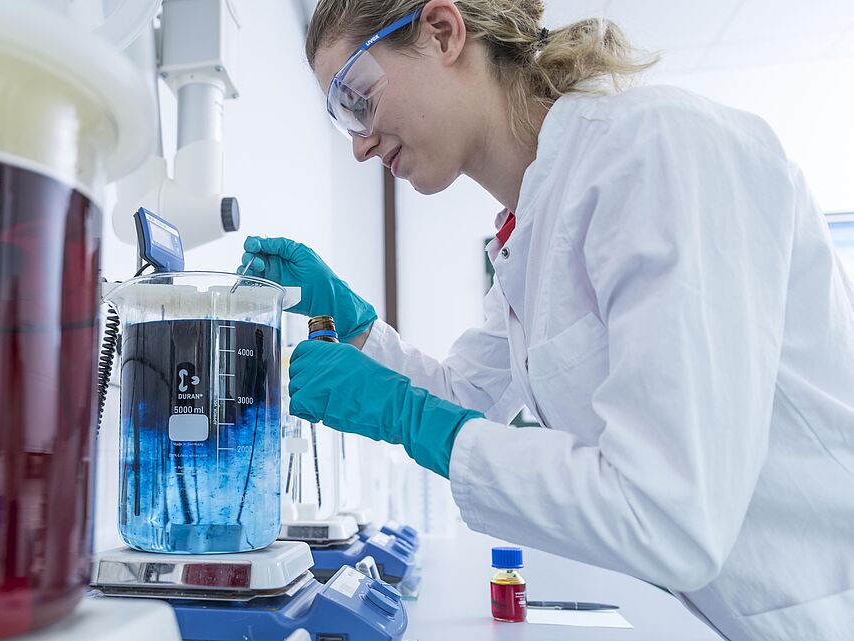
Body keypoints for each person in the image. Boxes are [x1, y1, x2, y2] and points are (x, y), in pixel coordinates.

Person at [238, 1, 854, 639]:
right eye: (343, 120)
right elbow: (466, 397)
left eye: (358, 98)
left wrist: (410, 417)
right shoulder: (529, 234)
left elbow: (671, 516)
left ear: (443, 32)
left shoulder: (655, 152)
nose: (361, 145)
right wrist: (355, 320)